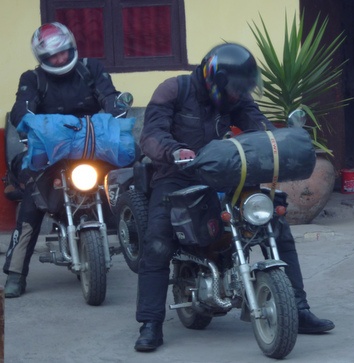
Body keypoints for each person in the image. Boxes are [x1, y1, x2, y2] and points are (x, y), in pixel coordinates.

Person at [135, 42, 335, 352]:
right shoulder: (174, 90)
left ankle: (298, 309)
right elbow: (151, 134)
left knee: (274, 223)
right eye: (233, 90)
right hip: (178, 174)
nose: (237, 96)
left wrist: (280, 144)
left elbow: (259, 126)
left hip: (227, 173)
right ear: (213, 79)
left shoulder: (235, 97)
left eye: (240, 91)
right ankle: (150, 323)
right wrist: (173, 150)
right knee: (158, 240)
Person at [3, 22, 126, 298]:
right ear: (42, 59)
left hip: (90, 146)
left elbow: (109, 96)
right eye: (52, 57)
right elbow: (21, 108)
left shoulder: (90, 69)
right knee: (33, 201)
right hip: (50, 152)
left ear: (71, 47)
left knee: (131, 179)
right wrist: (25, 117)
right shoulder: (32, 79)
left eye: (63, 52)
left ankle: (140, 247)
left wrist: (116, 108)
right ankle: (15, 272)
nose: (59, 59)